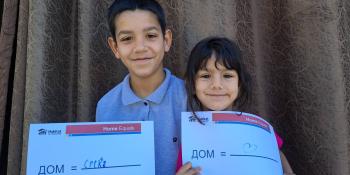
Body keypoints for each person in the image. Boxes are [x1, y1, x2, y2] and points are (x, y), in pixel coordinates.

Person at [176, 37, 295, 175]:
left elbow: (276, 151)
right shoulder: (190, 137)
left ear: (240, 84)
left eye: (227, 75)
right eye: (206, 76)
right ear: (191, 85)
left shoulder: (254, 128)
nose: (216, 85)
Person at [95, 0, 186, 175]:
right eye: (127, 39)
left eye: (151, 36)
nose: (140, 48)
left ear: (166, 40)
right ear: (115, 47)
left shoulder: (190, 98)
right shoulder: (106, 107)